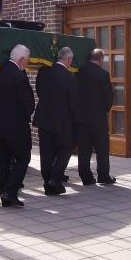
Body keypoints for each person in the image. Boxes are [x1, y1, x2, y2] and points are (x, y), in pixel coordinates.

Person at [0, 44, 35, 207]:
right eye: (26, 61)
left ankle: (5, 196)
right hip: (16, 127)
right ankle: (10, 190)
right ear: (21, 59)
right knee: (23, 157)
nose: (26, 65)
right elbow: (28, 104)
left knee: (2, 161)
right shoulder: (19, 76)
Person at [33, 47, 77, 196]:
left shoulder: (43, 72)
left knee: (46, 153)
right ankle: (54, 178)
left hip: (44, 118)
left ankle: (47, 185)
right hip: (61, 120)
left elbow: (39, 91)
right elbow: (72, 102)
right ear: (69, 59)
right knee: (66, 148)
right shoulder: (69, 77)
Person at [75, 48, 115, 184]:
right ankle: (103, 176)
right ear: (101, 59)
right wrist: (104, 109)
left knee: (84, 148)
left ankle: (85, 176)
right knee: (102, 148)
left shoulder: (79, 73)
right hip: (98, 117)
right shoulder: (103, 74)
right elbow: (109, 97)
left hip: (81, 117)